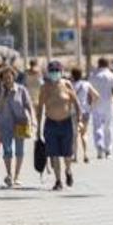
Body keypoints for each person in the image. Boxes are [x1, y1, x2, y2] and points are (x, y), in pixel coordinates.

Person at [37, 61, 82, 191]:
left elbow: (77, 104)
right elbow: (40, 107)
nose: (54, 74)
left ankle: (68, 171)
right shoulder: (44, 87)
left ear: (61, 72)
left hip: (66, 123)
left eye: (57, 71)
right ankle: (58, 181)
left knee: (67, 154)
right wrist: (38, 127)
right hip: (51, 123)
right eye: (52, 71)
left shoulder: (67, 84)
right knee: (54, 154)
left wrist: (79, 121)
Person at [0, 66, 34, 187]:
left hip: (20, 122)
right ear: (1, 79)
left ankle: (17, 176)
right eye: (5, 77)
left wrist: (32, 120)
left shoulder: (21, 90)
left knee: (19, 150)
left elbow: (28, 105)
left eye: (9, 76)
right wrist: (3, 93)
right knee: (7, 150)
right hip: (5, 124)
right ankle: (9, 174)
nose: (7, 79)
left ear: (13, 77)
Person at [89, 57, 113, 159]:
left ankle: (99, 147)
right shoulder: (111, 76)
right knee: (108, 127)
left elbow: (89, 92)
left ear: (98, 64)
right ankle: (108, 150)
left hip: (96, 103)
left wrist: (88, 104)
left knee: (97, 126)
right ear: (107, 65)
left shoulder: (93, 76)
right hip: (108, 104)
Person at [71, 66, 99, 163]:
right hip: (85, 112)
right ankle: (85, 154)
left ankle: (75, 156)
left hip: (73, 112)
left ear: (72, 75)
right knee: (84, 134)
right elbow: (96, 95)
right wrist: (91, 105)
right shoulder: (86, 84)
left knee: (75, 135)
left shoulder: (70, 85)